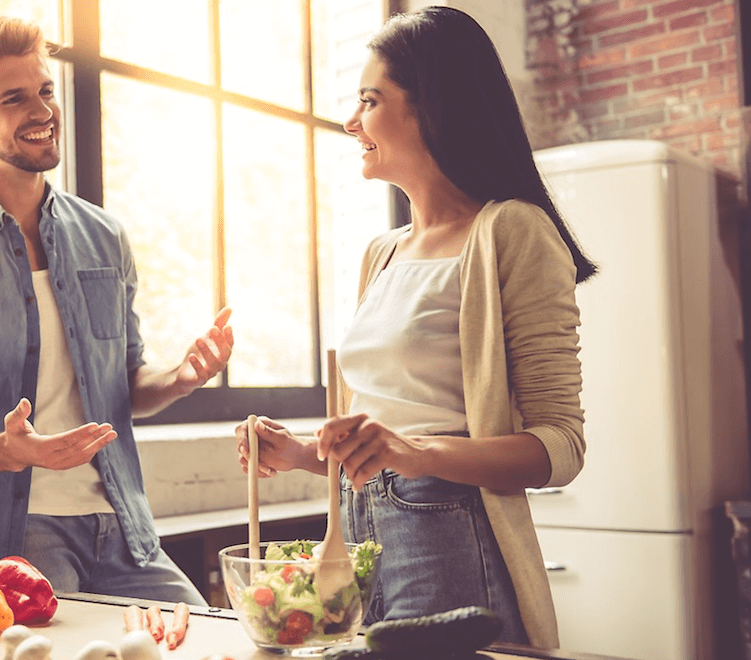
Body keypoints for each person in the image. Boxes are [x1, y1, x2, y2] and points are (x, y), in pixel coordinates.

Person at [235, 6, 594, 648]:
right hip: (360, 533)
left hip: (450, 536)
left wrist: (414, 453)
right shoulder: (384, 252)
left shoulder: (511, 231)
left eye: (369, 100)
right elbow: (388, 436)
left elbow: (560, 447)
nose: (350, 122)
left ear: (430, 107)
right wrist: (300, 452)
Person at [0, 15, 233, 606]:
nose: (43, 110)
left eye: (45, 90)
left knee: (209, 642)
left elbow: (124, 385)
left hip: (122, 531)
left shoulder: (104, 236)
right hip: (6, 546)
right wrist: (2, 451)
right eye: (14, 98)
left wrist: (180, 378)